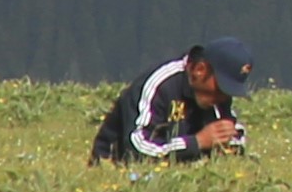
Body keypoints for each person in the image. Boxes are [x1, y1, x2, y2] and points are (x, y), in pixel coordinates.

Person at [91, 39, 252, 166]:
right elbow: (135, 147)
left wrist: (231, 142)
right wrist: (196, 142)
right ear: (200, 70)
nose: (223, 98)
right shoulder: (160, 84)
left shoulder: (216, 97)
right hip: (118, 168)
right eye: (221, 88)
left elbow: (234, 130)